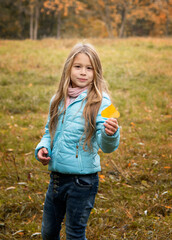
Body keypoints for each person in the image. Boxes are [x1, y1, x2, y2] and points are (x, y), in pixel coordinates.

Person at [35, 43, 120, 240]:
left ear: (96, 71)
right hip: (56, 179)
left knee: (74, 233)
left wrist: (111, 134)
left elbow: (107, 146)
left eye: (89, 68)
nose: (83, 73)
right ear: (68, 68)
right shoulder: (57, 99)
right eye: (78, 66)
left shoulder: (104, 101)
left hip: (83, 181)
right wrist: (43, 147)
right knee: (48, 232)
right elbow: (50, 131)